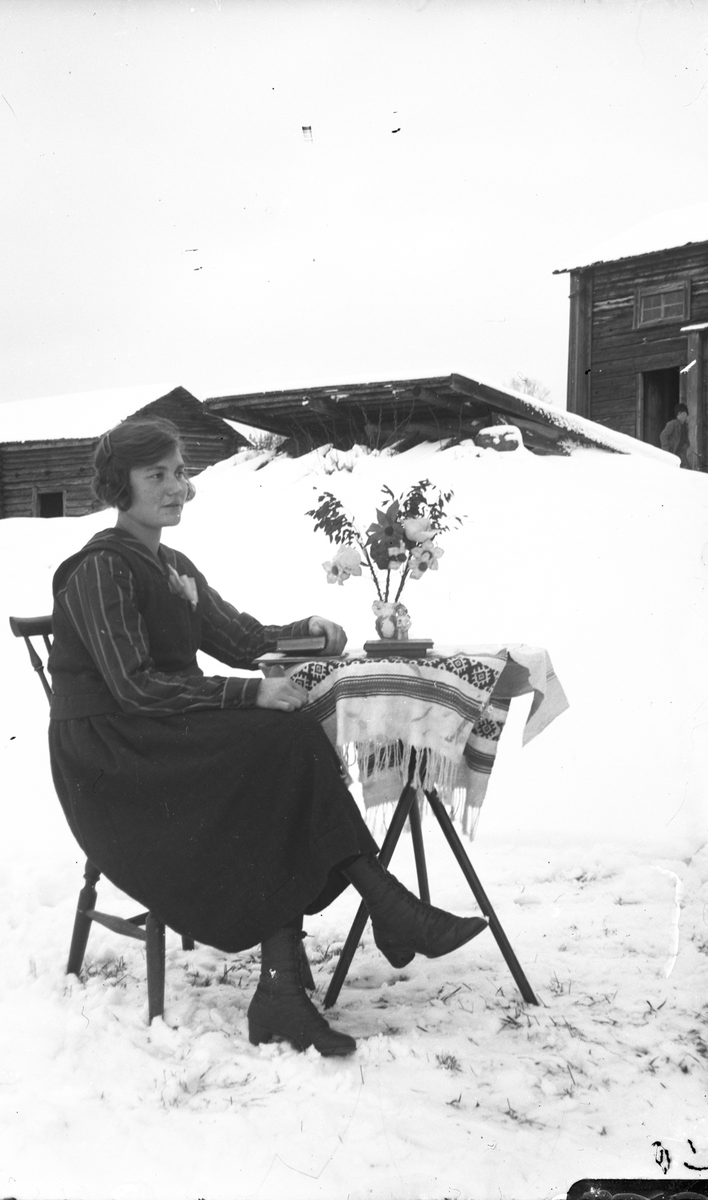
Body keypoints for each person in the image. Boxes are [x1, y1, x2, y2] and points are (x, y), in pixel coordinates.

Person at [47, 415, 487, 1057]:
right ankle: (386, 907)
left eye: (179, 473)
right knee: (278, 742)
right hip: (112, 759)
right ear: (121, 486)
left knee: (282, 746)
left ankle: (288, 984)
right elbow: (134, 689)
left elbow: (240, 639)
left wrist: (307, 631)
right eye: (156, 476)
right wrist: (248, 693)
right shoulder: (99, 569)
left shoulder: (170, 565)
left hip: (165, 736)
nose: (175, 487)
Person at [659, 404, 694, 468]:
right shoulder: (672, 424)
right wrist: (666, 448)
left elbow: (686, 440)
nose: (684, 416)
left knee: (685, 468)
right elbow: (663, 435)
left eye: (685, 414)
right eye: (682, 414)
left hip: (681, 453)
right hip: (671, 451)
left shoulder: (685, 426)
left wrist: (685, 446)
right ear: (678, 414)